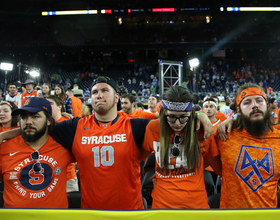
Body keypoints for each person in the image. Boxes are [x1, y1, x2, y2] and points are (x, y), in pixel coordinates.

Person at [0, 76, 214, 209]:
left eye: (104, 91)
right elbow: (36, 127)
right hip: (91, 211)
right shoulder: (73, 127)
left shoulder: (137, 126)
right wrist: (4, 136)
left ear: (117, 96)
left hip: (131, 210)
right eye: (94, 92)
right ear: (89, 98)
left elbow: (172, 117)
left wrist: (199, 114)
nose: (99, 96)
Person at [142, 86, 222, 209]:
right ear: (164, 113)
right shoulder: (153, 128)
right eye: (172, 117)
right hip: (161, 206)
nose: (177, 123)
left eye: (184, 117)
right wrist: (159, 173)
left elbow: (218, 168)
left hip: (196, 206)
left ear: (191, 113)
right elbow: (140, 158)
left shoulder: (201, 131)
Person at [0, 97, 74, 208]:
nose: (28, 122)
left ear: (49, 120)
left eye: (35, 116)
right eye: (24, 117)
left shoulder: (63, 145)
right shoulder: (4, 148)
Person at [216, 83, 280, 208]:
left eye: (259, 100)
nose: (254, 106)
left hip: (268, 216)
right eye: (247, 103)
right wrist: (199, 115)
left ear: (267, 105)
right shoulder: (224, 134)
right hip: (232, 216)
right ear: (238, 110)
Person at [45, 95, 79, 192]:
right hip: (47, 177)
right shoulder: (41, 124)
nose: (47, 107)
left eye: (50, 104)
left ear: (60, 106)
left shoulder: (70, 123)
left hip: (67, 176)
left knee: (71, 205)